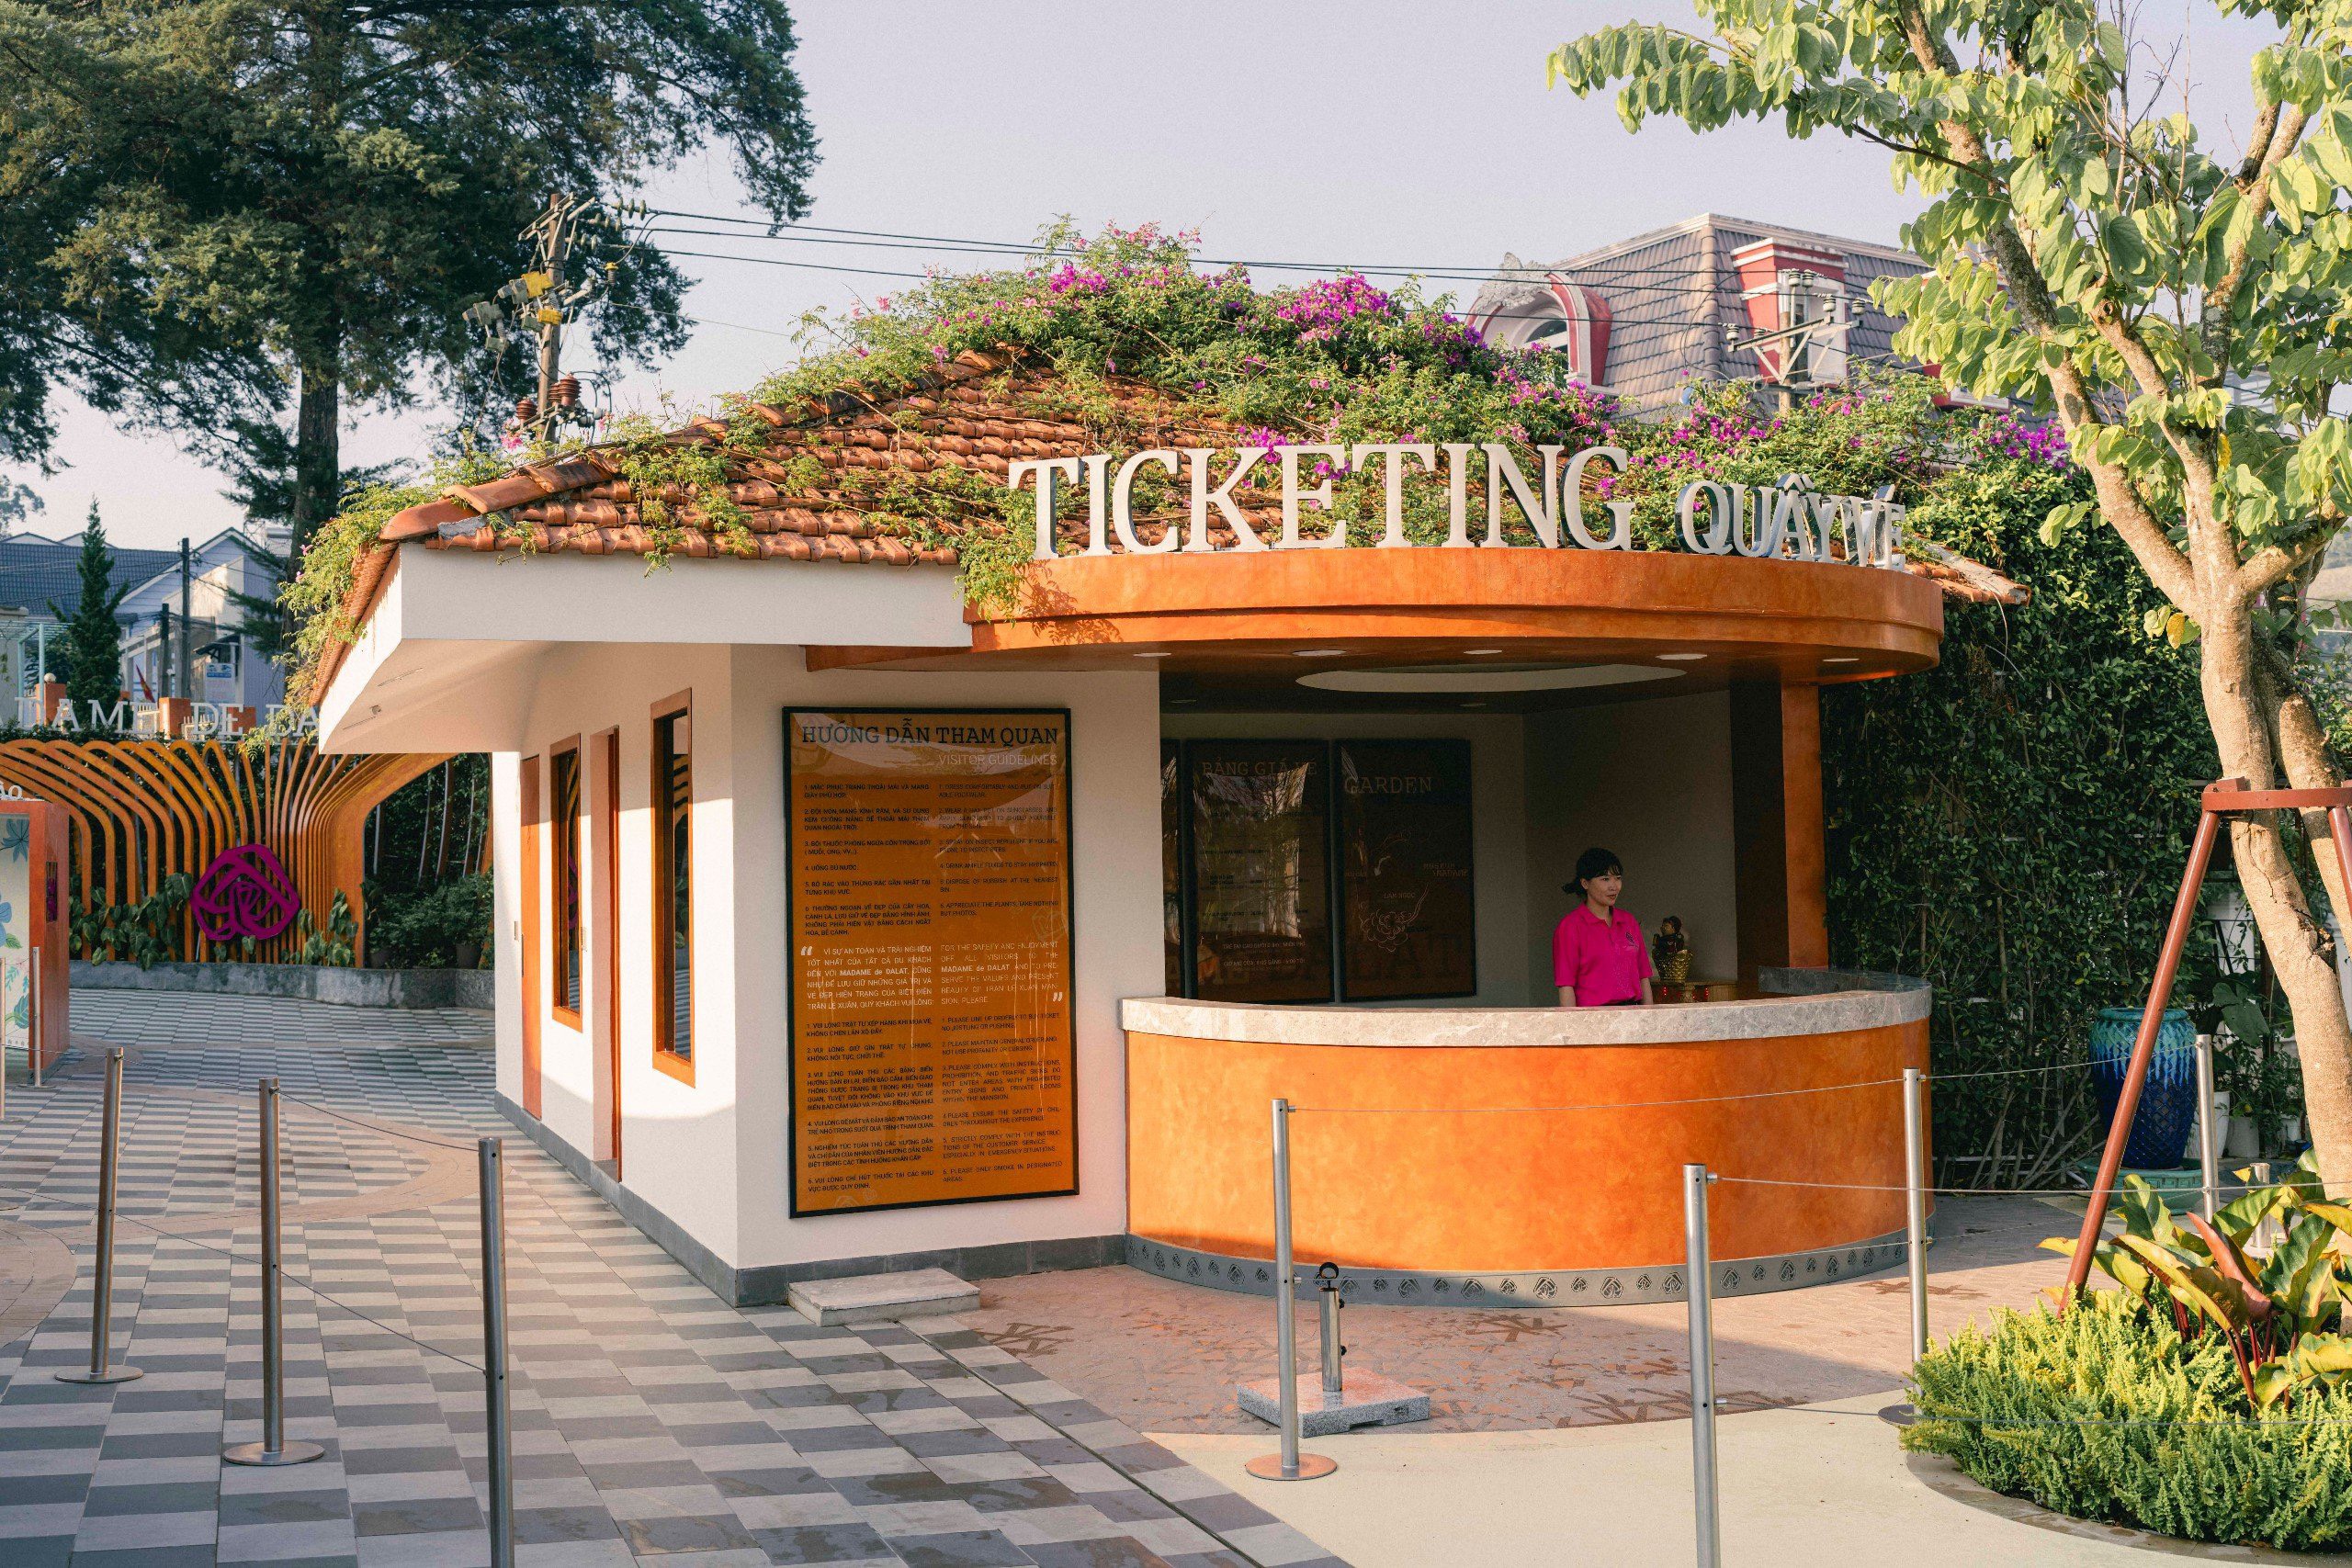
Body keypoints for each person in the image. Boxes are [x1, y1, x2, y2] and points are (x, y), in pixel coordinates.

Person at [1555, 846, 1654, 1007]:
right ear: (1585, 883)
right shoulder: (1570, 927)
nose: (1614, 886)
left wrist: (1650, 1021)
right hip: (1593, 1019)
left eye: (1618, 878)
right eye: (1605, 879)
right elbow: (1566, 985)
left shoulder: (1628, 921)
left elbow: (1643, 976)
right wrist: (1573, 1028)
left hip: (1633, 1016)